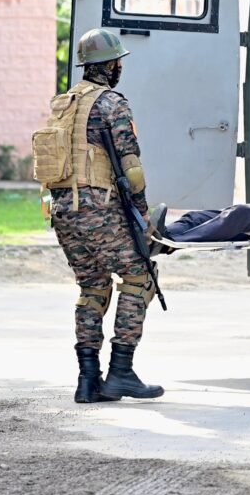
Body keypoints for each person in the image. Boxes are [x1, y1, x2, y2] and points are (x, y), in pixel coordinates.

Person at [34, 27, 163, 404]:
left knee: (92, 287)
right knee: (139, 277)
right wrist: (144, 219)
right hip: (99, 208)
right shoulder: (113, 104)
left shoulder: (63, 103)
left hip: (62, 210)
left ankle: (88, 380)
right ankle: (121, 371)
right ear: (108, 66)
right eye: (117, 61)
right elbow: (132, 170)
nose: (120, 67)